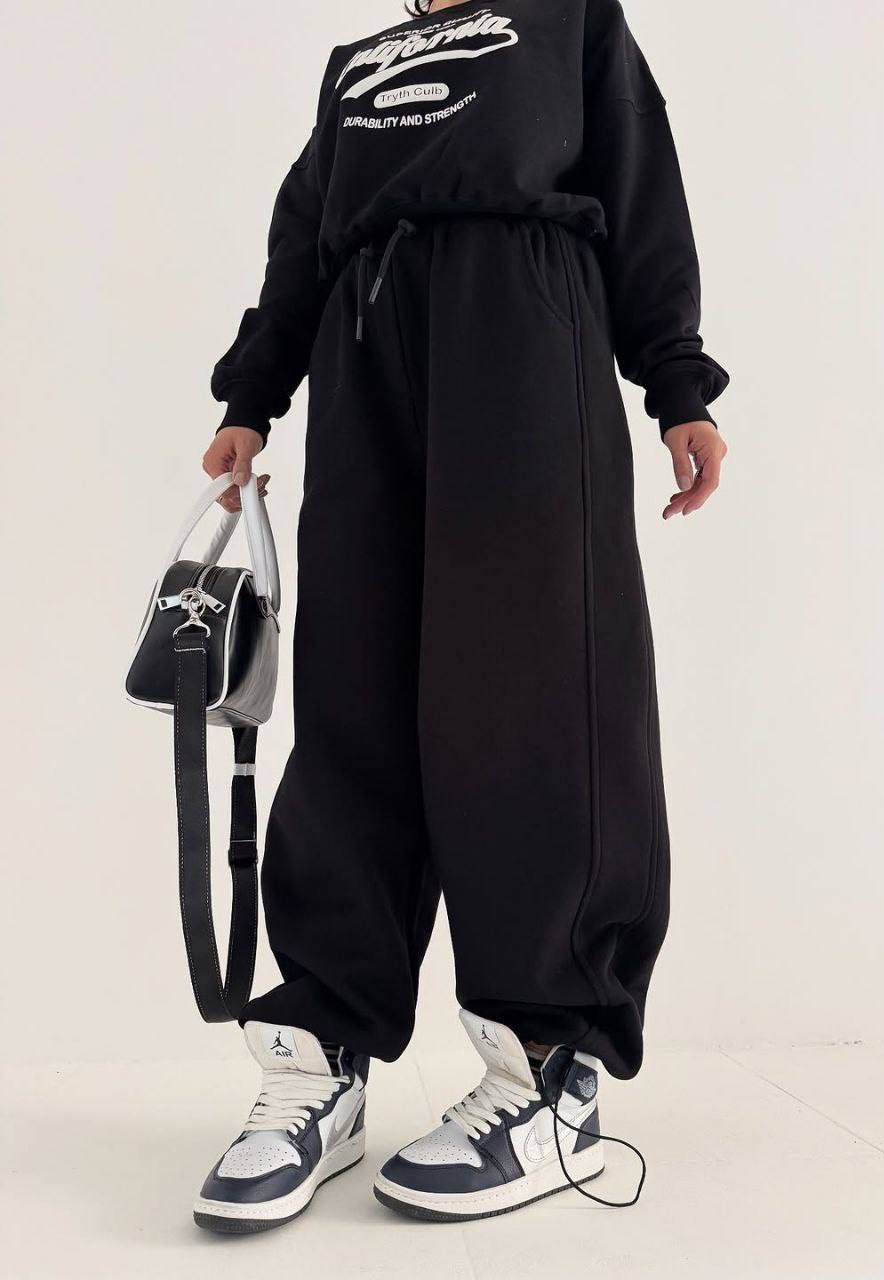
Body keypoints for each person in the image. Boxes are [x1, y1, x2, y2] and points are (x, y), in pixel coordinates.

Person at [193, 0, 728, 1232]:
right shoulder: (360, 63)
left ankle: (549, 1064)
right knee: (353, 701)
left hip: (524, 333)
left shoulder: (568, 15)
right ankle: (324, 1051)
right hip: (366, 349)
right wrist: (252, 393)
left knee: (530, 692)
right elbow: (303, 233)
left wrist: (678, 382)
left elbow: (641, 183)